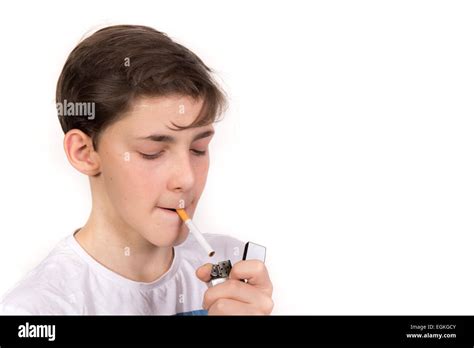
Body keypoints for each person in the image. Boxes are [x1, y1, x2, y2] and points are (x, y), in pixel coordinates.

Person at [0, 25, 273, 315]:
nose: (187, 178)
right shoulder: (38, 312)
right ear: (84, 153)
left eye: (198, 149)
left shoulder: (230, 267)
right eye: (151, 153)